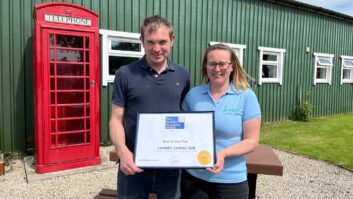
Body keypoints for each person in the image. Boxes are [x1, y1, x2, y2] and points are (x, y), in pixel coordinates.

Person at [109, 15, 190, 199]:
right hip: (133, 164)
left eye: (162, 42)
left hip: (171, 165)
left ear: (172, 40)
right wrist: (123, 152)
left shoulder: (182, 75)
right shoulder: (125, 74)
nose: (156, 49)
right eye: (150, 42)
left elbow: (186, 118)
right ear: (142, 41)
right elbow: (115, 119)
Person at [180, 43, 261, 199]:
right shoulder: (193, 95)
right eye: (212, 64)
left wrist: (223, 154)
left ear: (232, 66)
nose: (217, 69)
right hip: (194, 178)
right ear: (206, 67)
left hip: (231, 180)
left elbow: (252, 141)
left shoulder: (246, 96)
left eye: (222, 64)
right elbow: (182, 130)